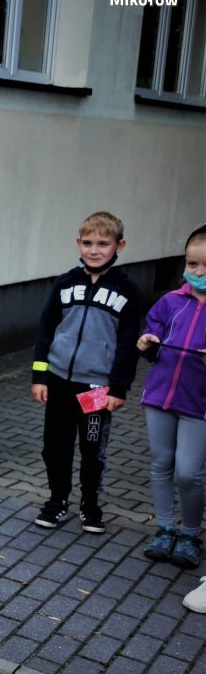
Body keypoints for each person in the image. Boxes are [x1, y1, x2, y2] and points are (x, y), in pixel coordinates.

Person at [31, 211, 140, 535]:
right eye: (88, 243)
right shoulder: (65, 283)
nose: (95, 250)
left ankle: (90, 504)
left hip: (96, 387)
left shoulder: (127, 290)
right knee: (55, 446)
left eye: (103, 244)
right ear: (78, 243)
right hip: (60, 381)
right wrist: (40, 376)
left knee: (92, 450)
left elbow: (126, 344)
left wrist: (118, 388)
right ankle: (57, 500)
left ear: (119, 245)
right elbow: (46, 331)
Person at [137, 224, 206, 569]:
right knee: (161, 464)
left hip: (199, 406)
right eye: (193, 264)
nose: (198, 273)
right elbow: (151, 335)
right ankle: (165, 529)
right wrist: (146, 343)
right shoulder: (170, 301)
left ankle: (191, 534)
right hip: (160, 398)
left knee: (188, 474)